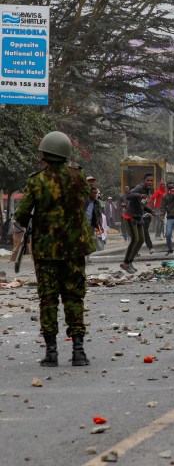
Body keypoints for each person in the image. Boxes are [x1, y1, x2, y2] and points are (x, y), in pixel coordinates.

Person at [13, 131, 96, 367]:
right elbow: (84, 199)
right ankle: (78, 351)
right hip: (74, 248)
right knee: (74, 297)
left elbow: (22, 214)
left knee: (48, 299)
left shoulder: (36, 180)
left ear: (45, 154)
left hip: (46, 250)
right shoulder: (78, 176)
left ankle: (51, 352)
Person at [121, 173, 155, 272]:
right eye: (148, 180)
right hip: (130, 216)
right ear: (144, 181)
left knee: (141, 240)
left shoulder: (148, 190)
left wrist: (150, 210)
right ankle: (125, 263)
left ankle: (130, 262)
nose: (150, 182)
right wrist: (140, 195)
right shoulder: (139, 188)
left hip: (138, 217)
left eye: (151, 181)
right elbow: (129, 196)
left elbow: (141, 204)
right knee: (135, 239)